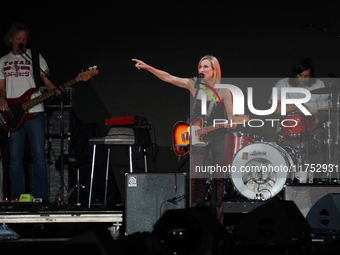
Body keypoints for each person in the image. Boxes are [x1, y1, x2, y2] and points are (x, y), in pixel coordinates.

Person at [132, 55, 234, 224]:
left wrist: (232, 123)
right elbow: (168, 77)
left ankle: (217, 222)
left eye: (205, 67)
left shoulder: (223, 91)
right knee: (196, 180)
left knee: (218, 179)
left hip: (218, 137)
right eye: (200, 66)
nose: (201, 70)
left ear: (215, 70)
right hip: (197, 136)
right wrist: (148, 67)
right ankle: (196, 219)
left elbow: (231, 118)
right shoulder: (194, 85)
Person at [0, 22, 60, 201]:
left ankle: (40, 199)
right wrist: (2, 99)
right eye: (19, 38)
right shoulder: (3, 61)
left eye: (25, 39)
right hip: (13, 113)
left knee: (39, 156)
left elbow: (46, 80)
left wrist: (55, 89)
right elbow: (1, 88)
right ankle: (15, 199)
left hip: (36, 111)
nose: (22, 42)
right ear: (11, 39)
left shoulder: (35, 57)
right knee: (15, 158)